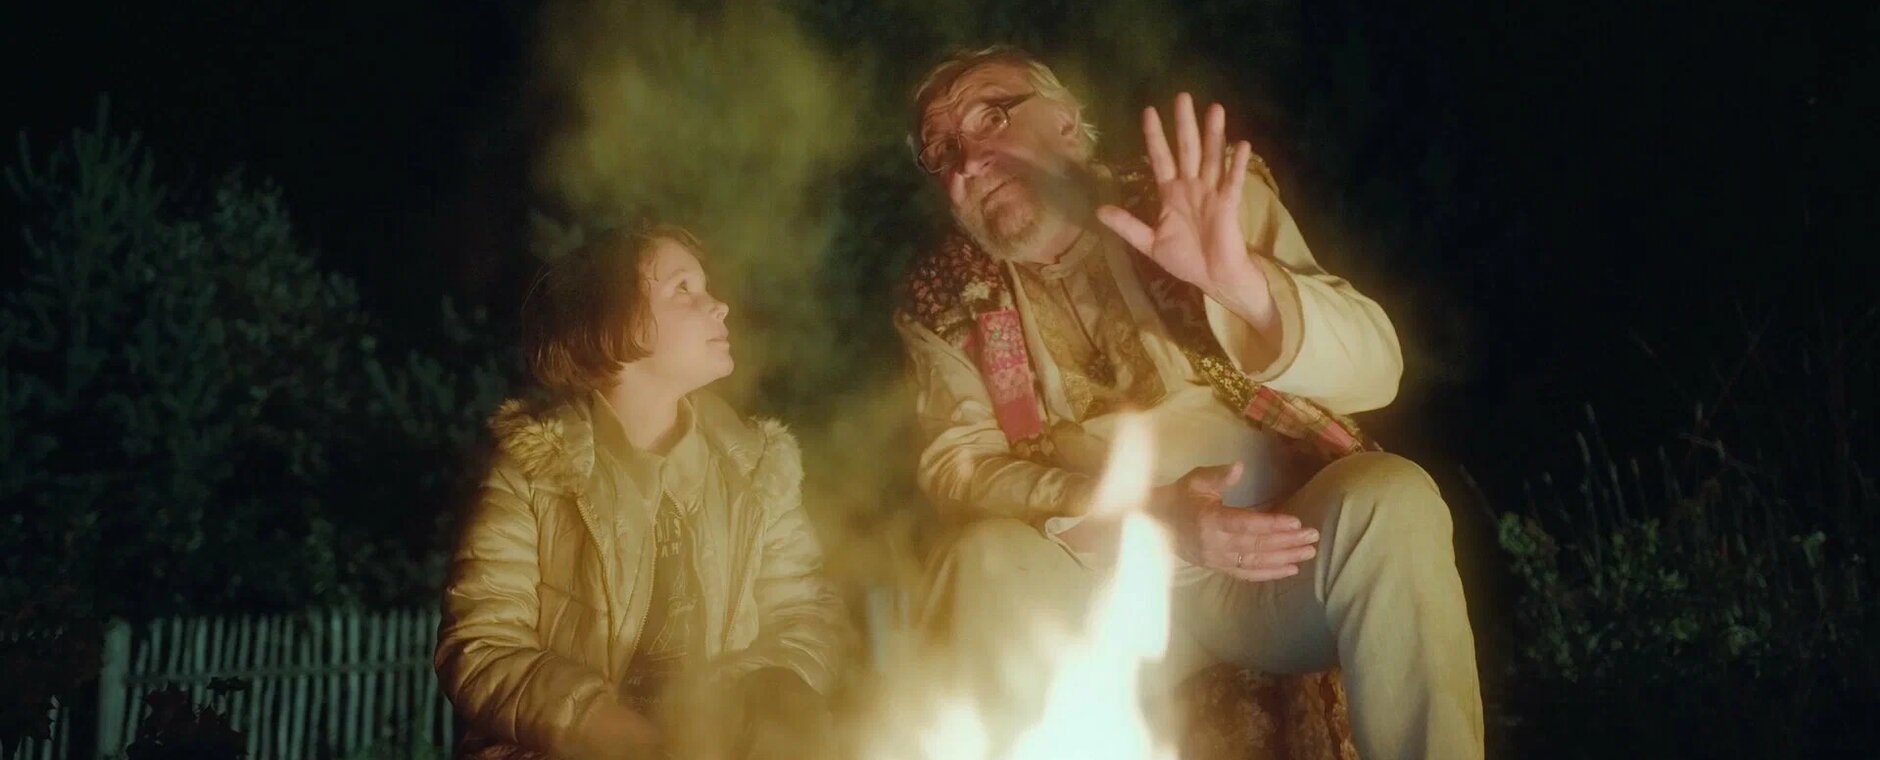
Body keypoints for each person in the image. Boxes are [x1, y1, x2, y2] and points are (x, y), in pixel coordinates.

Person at [894, 46, 1482, 759]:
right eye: (942, 149)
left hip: (1270, 557)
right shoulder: (944, 294)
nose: (970, 161)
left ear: (1067, 123)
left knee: (1394, 499)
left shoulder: (1194, 201)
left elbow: (1378, 371)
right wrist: (1144, 515)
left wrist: (1243, 287)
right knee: (977, 559)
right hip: (1099, 583)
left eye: (993, 116)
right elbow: (960, 469)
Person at [435, 224, 851, 760]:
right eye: (684, 289)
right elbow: (484, 646)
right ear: (613, 320)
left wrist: (731, 719)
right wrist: (625, 738)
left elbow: (804, 616)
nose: (719, 305)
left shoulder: (757, 470)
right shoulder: (533, 471)